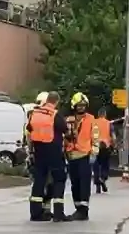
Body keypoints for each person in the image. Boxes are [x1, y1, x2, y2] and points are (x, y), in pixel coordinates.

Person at [27, 91, 70, 222]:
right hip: (54, 151)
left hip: (39, 150)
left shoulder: (35, 113)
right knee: (59, 179)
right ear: (56, 101)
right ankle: (58, 213)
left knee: (39, 180)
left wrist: (31, 151)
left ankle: (35, 213)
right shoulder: (55, 115)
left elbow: (29, 131)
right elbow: (66, 131)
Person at [64, 92, 100, 220]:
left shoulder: (91, 119)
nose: (81, 108)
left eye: (83, 105)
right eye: (79, 105)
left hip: (85, 155)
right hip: (72, 155)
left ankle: (84, 210)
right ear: (74, 106)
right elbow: (65, 137)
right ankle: (78, 208)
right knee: (75, 184)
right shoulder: (69, 120)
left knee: (84, 183)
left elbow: (95, 137)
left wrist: (94, 152)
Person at [25, 92, 56, 219]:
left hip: (37, 154)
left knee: (44, 183)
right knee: (42, 183)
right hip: (42, 154)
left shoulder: (35, 116)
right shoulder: (38, 116)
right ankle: (40, 210)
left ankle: (44, 209)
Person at [93, 107, 114, 194]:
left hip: (96, 146)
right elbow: (113, 135)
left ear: (98, 115)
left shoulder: (94, 123)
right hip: (105, 146)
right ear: (105, 114)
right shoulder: (108, 123)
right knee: (105, 164)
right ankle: (103, 178)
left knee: (96, 165)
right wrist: (114, 145)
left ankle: (98, 184)